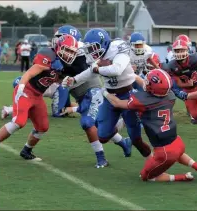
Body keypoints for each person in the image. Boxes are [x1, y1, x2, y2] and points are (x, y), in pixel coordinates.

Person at [103, 69, 197, 181]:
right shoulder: (170, 96)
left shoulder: (142, 101)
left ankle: (182, 177)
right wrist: (133, 75)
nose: (146, 82)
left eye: (148, 82)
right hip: (177, 142)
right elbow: (150, 88)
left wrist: (104, 92)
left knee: (146, 177)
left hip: (164, 152)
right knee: (177, 153)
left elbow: (117, 103)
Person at [63, 28, 152, 160]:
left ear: (104, 43)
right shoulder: (99, 56)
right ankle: (123, 137)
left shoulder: (118, 49)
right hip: (110, 97)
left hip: (127, 95)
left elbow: (116, 69)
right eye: (90, 48)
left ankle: (152, 160)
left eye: (94, 47)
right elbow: (90, 71)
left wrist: (97, 68)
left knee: (136, 139)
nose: (92, 51)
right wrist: (74, 80)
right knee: (102, 136)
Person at [0, 34, 78, 161]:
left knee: (42, 126)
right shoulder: (48, 55)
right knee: (19, 122)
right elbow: (29, 73)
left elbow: (58, 80)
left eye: (72, 52)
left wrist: (65, 81)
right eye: (66, 50)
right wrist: (21, 88)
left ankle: (26, 151)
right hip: (26, 91)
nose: (69, 54)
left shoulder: (67, 66)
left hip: (38, 96)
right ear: (58, 47)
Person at [167, 39, 197, 130]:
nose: (179, 53)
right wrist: (187, 85)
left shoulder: (194, 58)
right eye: (177, 50)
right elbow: (179, 83)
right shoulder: (172, 66)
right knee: (195, 116)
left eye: (182, 50)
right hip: (188, 92)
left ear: (187, 50)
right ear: (173, 52)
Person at [1, 76, 78, 119]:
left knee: (58, 113)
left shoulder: (33, 85)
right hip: (60, 89)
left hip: (60, 89)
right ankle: (81, 107)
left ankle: (82, 107)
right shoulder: (33, 82)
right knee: (30, 111)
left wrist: (8, 110)